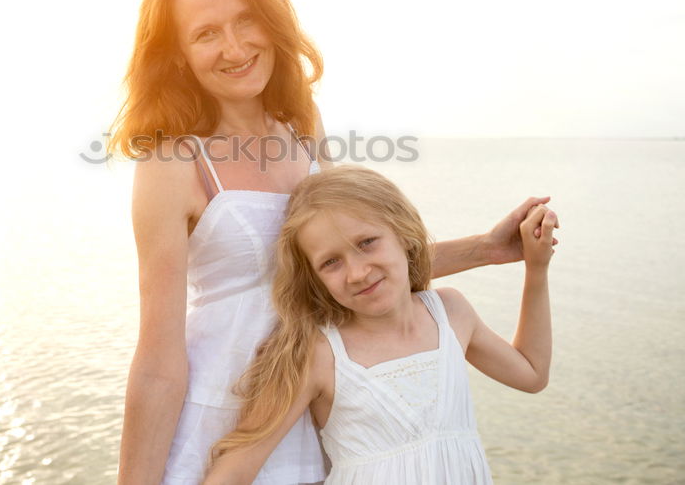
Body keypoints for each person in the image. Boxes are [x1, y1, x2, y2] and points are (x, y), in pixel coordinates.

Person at [110, 0, 558, 484]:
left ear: (272, 19)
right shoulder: (172, 163)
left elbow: (349, 268)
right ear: (178, 53)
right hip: (224, 413)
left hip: (327, 403)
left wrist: (487, 250)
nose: (233, 48)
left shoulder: (303, 125)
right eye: (205, 34)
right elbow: (158, 361)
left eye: (245, 20)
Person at [204, 165, 555, 484]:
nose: (357, 273)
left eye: (367, 243)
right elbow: (236, 468)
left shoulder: (451, 313)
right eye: (331, 263)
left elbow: (531, 374)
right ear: (315, 278)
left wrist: (536, 270)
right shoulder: (319, 354)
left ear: (403, 233)